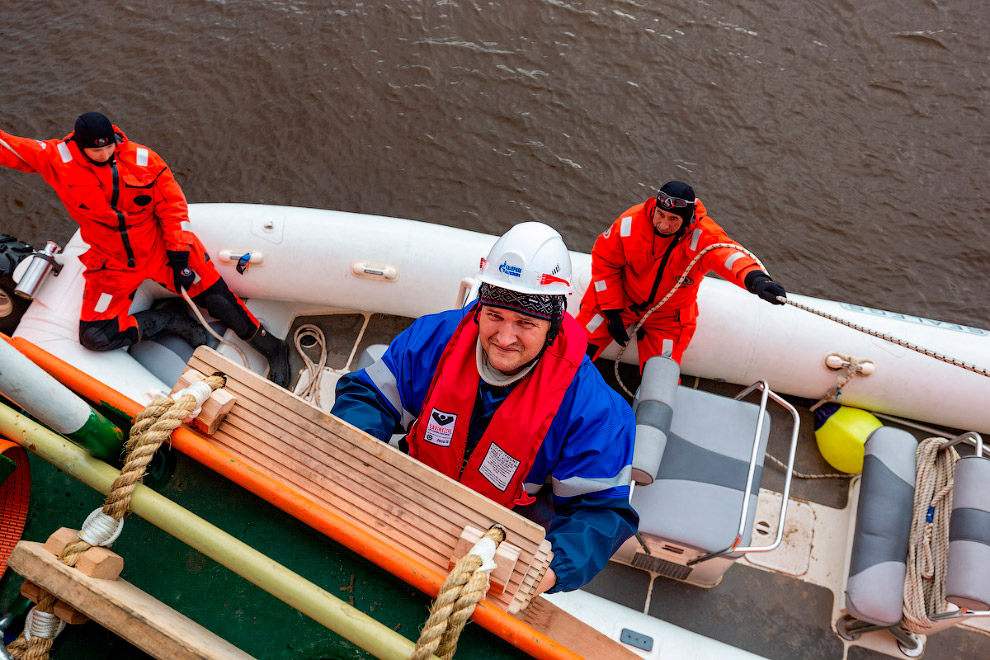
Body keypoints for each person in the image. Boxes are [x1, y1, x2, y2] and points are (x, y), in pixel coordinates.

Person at [331, 222, 638, 594]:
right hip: (405, 498)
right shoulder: (433, 338)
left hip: (495, 545)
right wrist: (355, 458)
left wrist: (552, 568)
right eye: (494, 316)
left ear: (554, 324)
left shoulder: (594, 411)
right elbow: (369, 397)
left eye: (525, 323)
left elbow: (600, 511)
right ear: (481, 306)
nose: (504, 338)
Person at [0, 112, 290, 387]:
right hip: (111, 261)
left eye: (108, 148)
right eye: (95, 152)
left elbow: (173, 207)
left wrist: (179, 257)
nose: (104, 155)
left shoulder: (143, 160)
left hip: (159, 249)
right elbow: (9, 148)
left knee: (218, 299)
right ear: (79, 147)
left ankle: (272, 346)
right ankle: (168, 320)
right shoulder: (55, 158)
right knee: (95, 336)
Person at [576, 180, 786, 370]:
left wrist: (756, 280)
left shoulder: (704, 236)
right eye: (660, 214)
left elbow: (728, 257)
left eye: (673, 219)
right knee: (575, 349)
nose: (663, 224)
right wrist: (612, 311)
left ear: (687, 219)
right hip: (622, 299)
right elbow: (605, 263)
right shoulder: (631, 223)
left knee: (660, 374)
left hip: (667, 317)